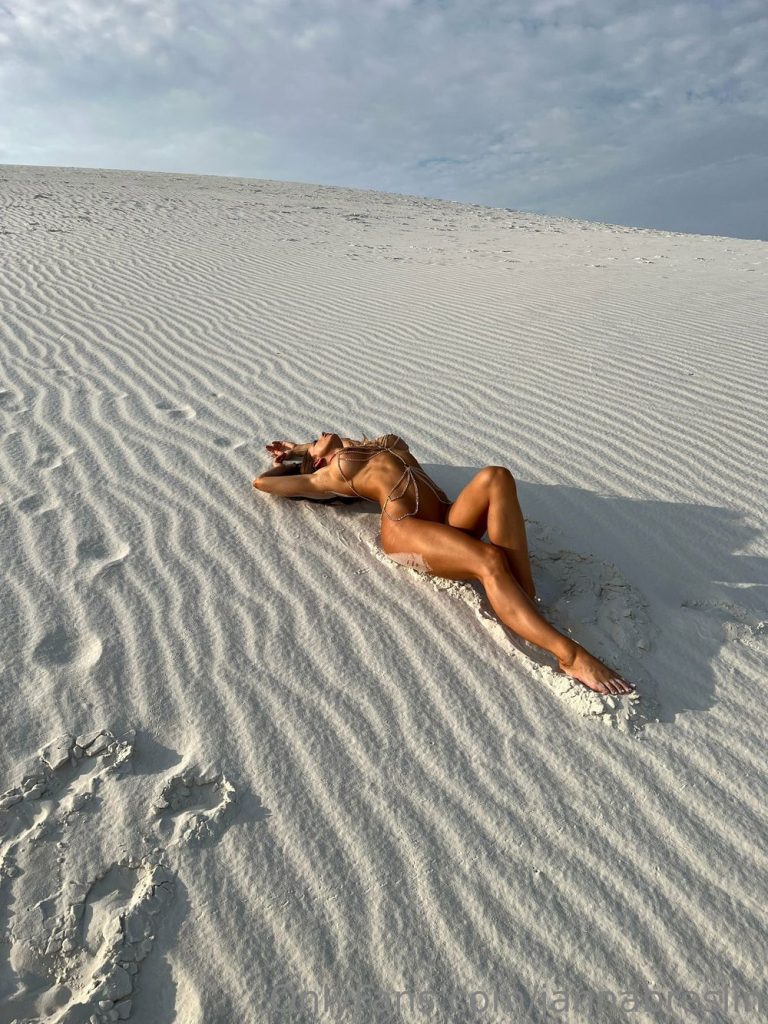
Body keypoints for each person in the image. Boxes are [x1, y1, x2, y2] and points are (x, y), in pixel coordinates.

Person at [253, 432, 634, 696]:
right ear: (317, 460)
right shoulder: (329, 474)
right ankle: (569, 656)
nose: (321, 433)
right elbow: (263, 483)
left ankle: (525, 603)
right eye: (317, 439)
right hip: (407, 529)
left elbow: (346, 443)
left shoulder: (376, 447)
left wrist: (302, 445)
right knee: (488, 559)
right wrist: (297, 458)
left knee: (496, 476)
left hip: (447, 516)